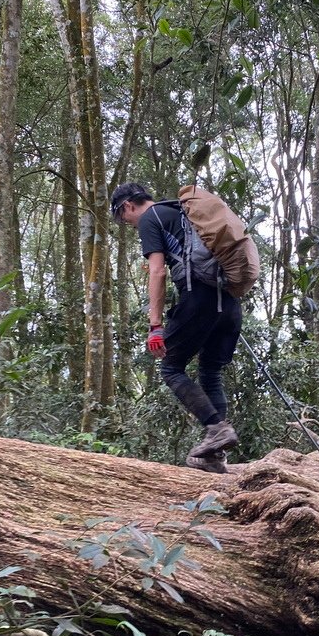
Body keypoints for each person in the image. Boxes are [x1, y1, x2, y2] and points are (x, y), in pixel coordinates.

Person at [110, 182, 241, 473]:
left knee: (171, 367)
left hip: (199, 298)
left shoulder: (150, 218)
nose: (127, 223)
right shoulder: (181, 213)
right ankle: (213, 456)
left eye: (123, 218)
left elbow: (157, 271)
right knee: (210, 371)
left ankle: (216, 430)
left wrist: (155, 325)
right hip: (229, 303)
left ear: (128, 206)